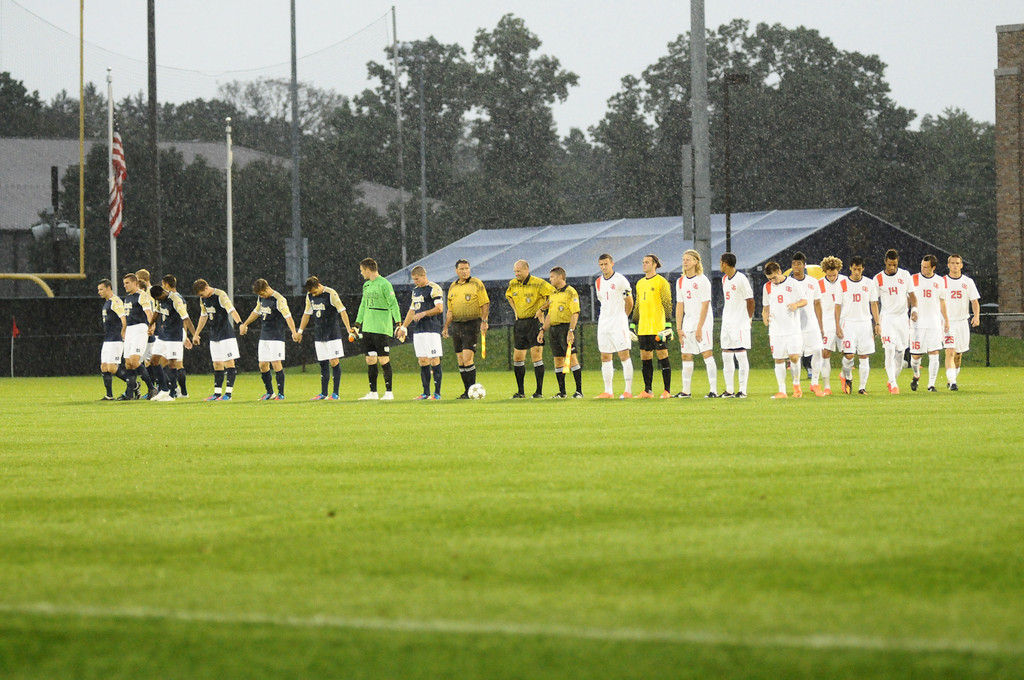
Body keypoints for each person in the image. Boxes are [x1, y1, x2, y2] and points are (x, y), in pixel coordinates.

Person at [294, 275, 353, 400]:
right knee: (323, 363)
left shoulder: (331, 294)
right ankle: (324, 394)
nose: (313, 294)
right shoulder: (310, 296)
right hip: (319, 333)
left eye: (314, 291)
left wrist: (348, 329)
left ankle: (335, 393)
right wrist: (300, 331)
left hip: (332, 333)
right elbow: (306, 314)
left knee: (334, 361)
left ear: (319, 286)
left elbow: (342, 311)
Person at [239, 278, 297, 400]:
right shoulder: (261, 298)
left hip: (276, 336)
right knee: (262, 365)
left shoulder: (279, 299)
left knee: (276, 363)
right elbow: (256, 311)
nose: (261, 296)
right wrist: (245, 324)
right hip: (264, 335)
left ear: (267, 288)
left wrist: (293, 332)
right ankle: (270, 393)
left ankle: (281, 394)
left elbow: (288, 316)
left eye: (262, 293)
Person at [354, 258, 402, 400]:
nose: (361, 273)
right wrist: (357, 325)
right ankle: (373, 392)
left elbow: (393, 304)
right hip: (367, 327)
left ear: (368, 269)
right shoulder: (366, 285)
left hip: (381, 328)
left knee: (383, 359)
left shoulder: (384, 284)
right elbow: (363, 305)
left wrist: (398, 324)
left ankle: (388, 392)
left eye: (362, 270)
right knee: (370, 359)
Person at [506, 260, 555, 398]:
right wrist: (515, 311)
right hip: (520, 324)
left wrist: (541, 309)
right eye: (515, 271)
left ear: (527, 270)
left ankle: (538, 392)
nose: (516, 274)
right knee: (518, 357)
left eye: (519, 271)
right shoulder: (513, 283)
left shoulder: (539, 283)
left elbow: (554, 296)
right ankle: (520, 392)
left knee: (536, 356)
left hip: (535, 323)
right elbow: (509, 296)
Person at [442, 259, 490, 399]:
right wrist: (446, 327)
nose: (464, 271)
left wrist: (484, 321)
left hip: (471, 324)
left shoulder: (476, 283)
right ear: (456, 271)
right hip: (457, 325)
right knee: (460, 360)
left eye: (467, 268)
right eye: (462, 269)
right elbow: (450, 311)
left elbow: (485, 303)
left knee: (468, 358)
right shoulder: (453, 287)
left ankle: (472, 389)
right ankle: (466, 391)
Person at [397, 266, 445, 400]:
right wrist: (404, 327)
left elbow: (440, 308)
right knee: (422, 360)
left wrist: (424, 313)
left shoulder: (434, 288)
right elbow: (412, 310)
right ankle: (425, 393)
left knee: (434, 359)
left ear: (424, 275)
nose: (415, 282)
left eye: (417, 279)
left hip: (431, 329)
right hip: (419, 330)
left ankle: (437, 393)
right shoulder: (416, 291)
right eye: (413, 279)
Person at [873, 249, 917, 394]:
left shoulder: (905, 275)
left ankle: (893, 379)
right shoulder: (878, 279)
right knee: (889, 349)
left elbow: (912, 295)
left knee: (900, 353)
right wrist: (878, 322)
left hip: (902, 318)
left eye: (895, 265)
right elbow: (874, 302)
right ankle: (893, 383)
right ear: (885, 262)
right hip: (888, 318)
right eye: (890, 265)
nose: (892, 268)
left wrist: (914, 310)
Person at [192, 279, 243, 400]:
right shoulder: (202, 299)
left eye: (201, 294)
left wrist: (240, 323)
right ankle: (217, 393)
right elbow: (203, 316)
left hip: (226, 334)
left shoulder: (220, 295)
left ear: (206, 288)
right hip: (214, 334)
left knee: (229, 363)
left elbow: (231, 310)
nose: (201, 296)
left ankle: (228, 394)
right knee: (217, 364)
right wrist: (196, 333)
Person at [675, 249, 717, 398]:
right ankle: (686, 391)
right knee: (686, 356)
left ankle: (713, 390)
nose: (685, 262)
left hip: (703, 322)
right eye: (684, 259)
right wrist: (678, 328)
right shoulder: (680, 281)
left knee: (707, 354)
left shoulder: (702, 280)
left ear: (696, 262)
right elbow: (680, 305)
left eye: (688, 259)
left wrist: (700, 328)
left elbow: (705, 305)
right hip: (688, 322)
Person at [835, 256, 880, 395]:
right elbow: (837, 306)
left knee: (864, 356)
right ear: (850, 268)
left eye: (859, 269)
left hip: (865, 323)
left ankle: (862, 388)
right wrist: (837, 325)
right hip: (848, 323)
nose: (857, 272)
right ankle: (847, 376)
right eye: (854, 269)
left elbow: (874, 304)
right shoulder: (842, 284)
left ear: (863, 269)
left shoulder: (869, 283)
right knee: (849, 356)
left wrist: (877, 323)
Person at [630, 254, 673, 398]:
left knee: (662, 356)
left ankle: (667, 391)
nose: (644, 264)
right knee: (645, 358)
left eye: (647, 262)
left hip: (658, 328)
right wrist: (633, 324)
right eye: (643, 262)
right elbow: (637, 305)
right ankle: (648, 390)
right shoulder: (640, 283)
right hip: (643, 328)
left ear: (654, 264)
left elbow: (667, 304)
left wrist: (667, 324)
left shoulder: (661, 282)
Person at [762, 261, 807, 398]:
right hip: (776, 329)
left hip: (792, 328)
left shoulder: (793, 284)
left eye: (774, 278)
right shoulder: (767, 287)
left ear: (780, 272)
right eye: (769, 279)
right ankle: (782, 391)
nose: (772, 281)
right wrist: (765, 316)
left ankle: (796, 386)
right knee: (779, 359)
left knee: (794, 357)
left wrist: (796, 305)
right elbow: (765, 306)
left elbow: (804, 300)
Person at [594, 253, 634, 398]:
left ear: (612, 263)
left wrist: (623, 318)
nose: (604, 267)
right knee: (605, 356)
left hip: (618, 322)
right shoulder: (598, 282)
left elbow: (630, 302)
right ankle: (608, 391)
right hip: (604, 322)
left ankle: (628, 391)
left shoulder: (621, 280)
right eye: (601, 265)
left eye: (606, 264)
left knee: (623, 355)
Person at [539, 266, 583, 398]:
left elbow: (575, 313)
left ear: (560, 277)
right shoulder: (553, 293)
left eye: (552, 277)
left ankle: (579, 391)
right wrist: (542, 330)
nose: (550, 279)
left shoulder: (571, 292)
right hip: (554, 329)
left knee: (572, 358)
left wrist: (571, 331)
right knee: (558, 360)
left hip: (565, 328)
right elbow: (550, 314)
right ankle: (562, 392)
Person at [149, 277, 196, 401]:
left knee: (172, 363)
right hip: (164, 334)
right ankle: (164, 389)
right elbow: (157, 313)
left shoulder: (176, 299)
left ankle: (173, 393)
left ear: (162, 293)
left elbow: (186, 318)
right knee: (154, 359)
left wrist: (194, 334)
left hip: (174, 335)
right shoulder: (160, 300)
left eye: (158, 298)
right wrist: (150, 324)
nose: (158, 301)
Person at [940, 253, 981, 391]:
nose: (955, 265)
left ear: (961, 265)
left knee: (958, 355)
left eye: (957, 263)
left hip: (963, 321)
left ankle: (953, 377)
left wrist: (976, 317)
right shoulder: (943, 282)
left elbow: (974, 301)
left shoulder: (968, 282)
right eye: (952, 263)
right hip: (948, 322)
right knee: (950, 351)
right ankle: (952, 382)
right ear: (948, 265)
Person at [718, 252, 754, 398]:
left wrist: (748, 318)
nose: (720, 265)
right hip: (727, 323)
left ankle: (743, 390)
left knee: (740, 354)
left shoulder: (741, 279)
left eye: (721, 262)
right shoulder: (724, 279)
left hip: (740, 323)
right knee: (726, 355)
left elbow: (750, 300)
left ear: (725, 263)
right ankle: (729, 390)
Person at [910, 255, 948, 392]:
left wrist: (946, 320)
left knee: (934, 353)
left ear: (933, 268)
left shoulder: (939, 281)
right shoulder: (913, 279)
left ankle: (931, 385)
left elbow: (942, 301)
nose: (923, 269)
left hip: (934, 323)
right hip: (917, 324)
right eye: (922, 266)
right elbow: (907, 298)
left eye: (926, 267)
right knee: (916, 356)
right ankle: (916, 375)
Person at [790, 252, 825, 396]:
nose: (796, 266)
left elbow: (817, 304)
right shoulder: (788, 284)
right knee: (795, 356)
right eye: (794, 264)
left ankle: (815, 383)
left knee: (818, 351)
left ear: (804, 265)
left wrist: (820, 325)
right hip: (794, 326)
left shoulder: (812, 282)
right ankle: (796, 385)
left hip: (811, 324)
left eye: (799, 263)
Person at [118, 272, 155, 400]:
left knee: (134, 361)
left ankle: (151, 388)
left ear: (135, 283)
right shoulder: (128, 297)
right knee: (128, 363)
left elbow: (148, 312)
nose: (125, 286)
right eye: (124, 283)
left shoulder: (142, 296)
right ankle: (129, 394)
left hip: (140, 329)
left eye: (127, 283)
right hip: (130, 330)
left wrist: (151, 325)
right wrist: (124, 330)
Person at [817, 256, 847, 395]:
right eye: (829, 275)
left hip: (844, 320)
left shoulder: (845, 281)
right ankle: (827, 386)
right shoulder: (819, 284)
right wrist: (820, 325)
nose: (832, 277)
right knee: (825, 353)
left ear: (838, 271)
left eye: (834, 274)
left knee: (848, 353)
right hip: (827, 321)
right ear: (824, 272)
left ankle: (844, 375)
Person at [96, 279, 127, 400]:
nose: (99, 292)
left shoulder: (116, 301)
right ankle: (109, 395)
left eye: (101, 289)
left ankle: (133, 384)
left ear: (109, 288)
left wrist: (124, 331)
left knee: (112, 367)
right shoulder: (107, 303)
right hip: (108, 338)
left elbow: (123, 318)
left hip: (116, 338)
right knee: (104, 366)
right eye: (98, 290)